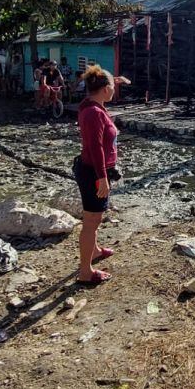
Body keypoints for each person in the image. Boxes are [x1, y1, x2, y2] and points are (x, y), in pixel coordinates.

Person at [73, 65, 131, 285]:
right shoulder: (94, 113)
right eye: (112, 87)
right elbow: (95, 148)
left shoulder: (91, 103)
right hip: (92, 172)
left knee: (94, 219)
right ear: (105, 89)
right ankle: (85, 272)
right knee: (91, 221)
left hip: (95, 170)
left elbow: (101, 86)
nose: (115, 91)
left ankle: (94, 251)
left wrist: (114, 79)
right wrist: (102, 178)